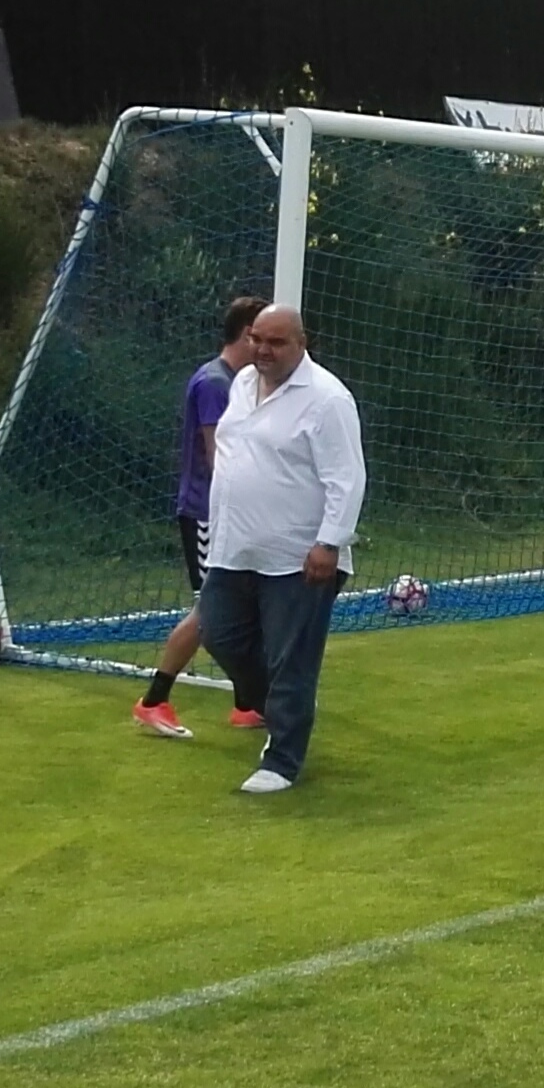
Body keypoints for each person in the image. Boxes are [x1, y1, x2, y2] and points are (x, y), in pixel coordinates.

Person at [199, 305, 364, 795]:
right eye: (257, 339)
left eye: (276, 343)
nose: (263, 351)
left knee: (292, 658)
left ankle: (284, 761)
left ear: (301, 343)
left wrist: (328, 543)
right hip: (234, 548)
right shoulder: (241, 385)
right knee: (218, 634)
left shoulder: (327, 400)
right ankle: (278, 708)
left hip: (299, 557)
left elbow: (347, 479)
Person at [135, 294, 267, 739]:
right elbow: (219, 458)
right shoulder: (216, 383)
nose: (266, 347)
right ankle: (154, 700)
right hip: (208, 513)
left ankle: (247, 704)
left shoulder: (242, 382)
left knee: (242, 604)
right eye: (261, 336)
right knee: (210, 611)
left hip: (231, 513)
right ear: (246, 334)